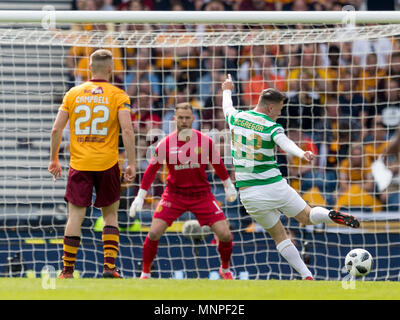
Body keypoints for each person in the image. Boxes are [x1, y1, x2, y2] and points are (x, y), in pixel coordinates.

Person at [221, 74, 360, 280]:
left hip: (249, 194)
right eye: (278, 110)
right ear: (269, 108)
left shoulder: (236, 118)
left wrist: (227, 89)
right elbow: (284, 142)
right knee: (307, 216)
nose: (279, 114)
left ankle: (307, 276)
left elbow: (227, 107)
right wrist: (301, 153)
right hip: (275, 186)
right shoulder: (271, 126)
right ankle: (330, 214)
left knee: (279, 236)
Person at [48, 49, 136, 279]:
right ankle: (109, 268)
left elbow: (56, 129)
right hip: (108, 163)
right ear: (111, 68)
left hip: (80, 163)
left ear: (88, 68)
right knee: (110, 216)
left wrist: (54, 158)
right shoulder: (119, 95)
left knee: (75, 216)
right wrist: (132, 163)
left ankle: (67, 270)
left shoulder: (73, 94)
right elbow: (127, 129)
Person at [129, 102, 238, 280]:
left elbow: (217, 163)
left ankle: (225, 270)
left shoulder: (205, 141)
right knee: (154, 232)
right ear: (175, 119)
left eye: (187, 118)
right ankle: (145, 273)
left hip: (201, 195)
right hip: (174, 195)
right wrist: (140, 196)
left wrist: (228, 185)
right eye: (181, 118)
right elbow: (151, 170)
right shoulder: (166, 143)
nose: (184, 121)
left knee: (225, 235)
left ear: (193, 119)